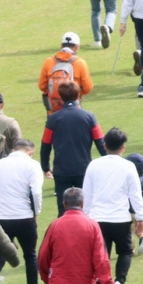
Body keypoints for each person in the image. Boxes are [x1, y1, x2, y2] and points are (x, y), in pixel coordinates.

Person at [82, 127, 143, 284]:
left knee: (100, 258)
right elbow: (135, 194)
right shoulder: (128, 166)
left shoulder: (94, 165)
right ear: (123, 148)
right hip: (120, 218)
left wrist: (85, 216)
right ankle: (120, 282)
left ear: (104, 145)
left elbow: (86, 193)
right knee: (125, 252)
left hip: (96, 219)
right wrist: (141, 218)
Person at [0, 138, 47, 284]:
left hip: (3, 218)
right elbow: (35, 193)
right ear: (31, 151)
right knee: (30, 255)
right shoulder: (33, 165)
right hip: (25, 217)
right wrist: (36, 212)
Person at [39, 81, 105, 215]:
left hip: (61, 171)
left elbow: (45, 144)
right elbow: (101, 142)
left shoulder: (53, 118)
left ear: (61, 97)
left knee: (63, 209)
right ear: (79, 95)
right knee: (86, 207)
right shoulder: (89, 117)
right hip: (84, 169)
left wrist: (45, 166)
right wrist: (109, 160)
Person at [38, 34, 93, 114]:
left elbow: (42, 86)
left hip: (54, 111)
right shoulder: (80, 63)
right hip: (74, 110)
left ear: (61, 45)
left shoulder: (48, 61)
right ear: (77, 47)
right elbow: (87, 88)